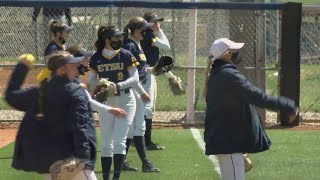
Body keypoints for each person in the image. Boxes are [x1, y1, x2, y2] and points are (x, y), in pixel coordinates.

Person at [204, 38, 299, 180]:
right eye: (234, 50)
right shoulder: (228, 75)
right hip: (229, 142)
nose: (238, 53)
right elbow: (257, 96)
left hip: (225, 139)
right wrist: (287, 106)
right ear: (227, 54)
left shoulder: (218, 74)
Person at [5, 51, 97, 180]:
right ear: (61, 70)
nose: (76, 67)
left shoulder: (39, 92)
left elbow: (11, 96)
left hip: (49, 162)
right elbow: (80, 127)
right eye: (72, 65)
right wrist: (84, 158)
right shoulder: (76, 92)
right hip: (73, 162)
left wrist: (22, 68)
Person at [89, 25, 140, 180]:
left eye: (120, 37)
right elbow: (91, 81)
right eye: (115, 37)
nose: (119, 40)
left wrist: (117, 85)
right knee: (106, 144)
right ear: (106, 40)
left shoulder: (126, 54)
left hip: (126, 100)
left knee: (119, 142)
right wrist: (98, 85)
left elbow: (135, 78)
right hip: (107, 101)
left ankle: (115, 178)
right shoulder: (96, 58)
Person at [122, 17, 160, 173]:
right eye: (144, 29)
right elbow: (129, 73)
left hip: (139, 89)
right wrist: (141, 92)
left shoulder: (136, 45)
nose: (147, 31)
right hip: (136, 91)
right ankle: (145, 163)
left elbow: (141, 70)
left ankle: (123, 161)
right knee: (139, 127)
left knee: (132, 128)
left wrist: (157, 69)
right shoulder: (130, 46)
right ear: (137, 31)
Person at [66, 45, 127, 119]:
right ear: (76, 60)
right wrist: (110, 109)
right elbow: (89, 102)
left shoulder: (72, 78)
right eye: (85, 58)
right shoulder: (72, 81)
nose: (89, 61)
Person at [141, 12, 170, 150]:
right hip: (146, 72)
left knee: (146, 107)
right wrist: (160, 31)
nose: (157, 24)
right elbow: (166, 46)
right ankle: (146, 141)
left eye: (157, 22)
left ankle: (142, 139)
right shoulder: (147, 34)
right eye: (154, 22)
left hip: (147, 71)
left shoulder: (146, 34)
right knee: (147, 107)